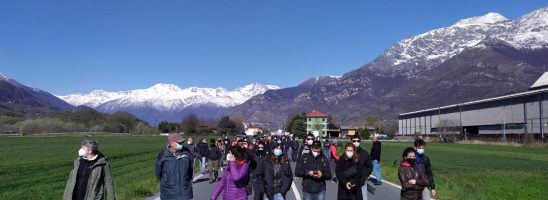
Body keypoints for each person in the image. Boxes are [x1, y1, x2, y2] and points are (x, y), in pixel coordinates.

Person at [155, 133, 193, 200]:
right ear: (171, 143)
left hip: (184, 192)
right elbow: (158, 173)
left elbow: (190, 170)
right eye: (179, 142)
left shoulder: (187, 153)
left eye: (182, 142)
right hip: (168, 193)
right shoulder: (163, 155)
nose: (181, 144)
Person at [350, 135, 373, 200]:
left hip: (362, 181)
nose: (356, 142)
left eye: (358, 141)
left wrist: (364, 176)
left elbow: (370, 167)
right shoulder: (347, 153)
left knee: (364, 198)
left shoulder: (365, 153)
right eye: (354, 141)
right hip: (350, 181)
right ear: (351, 141)